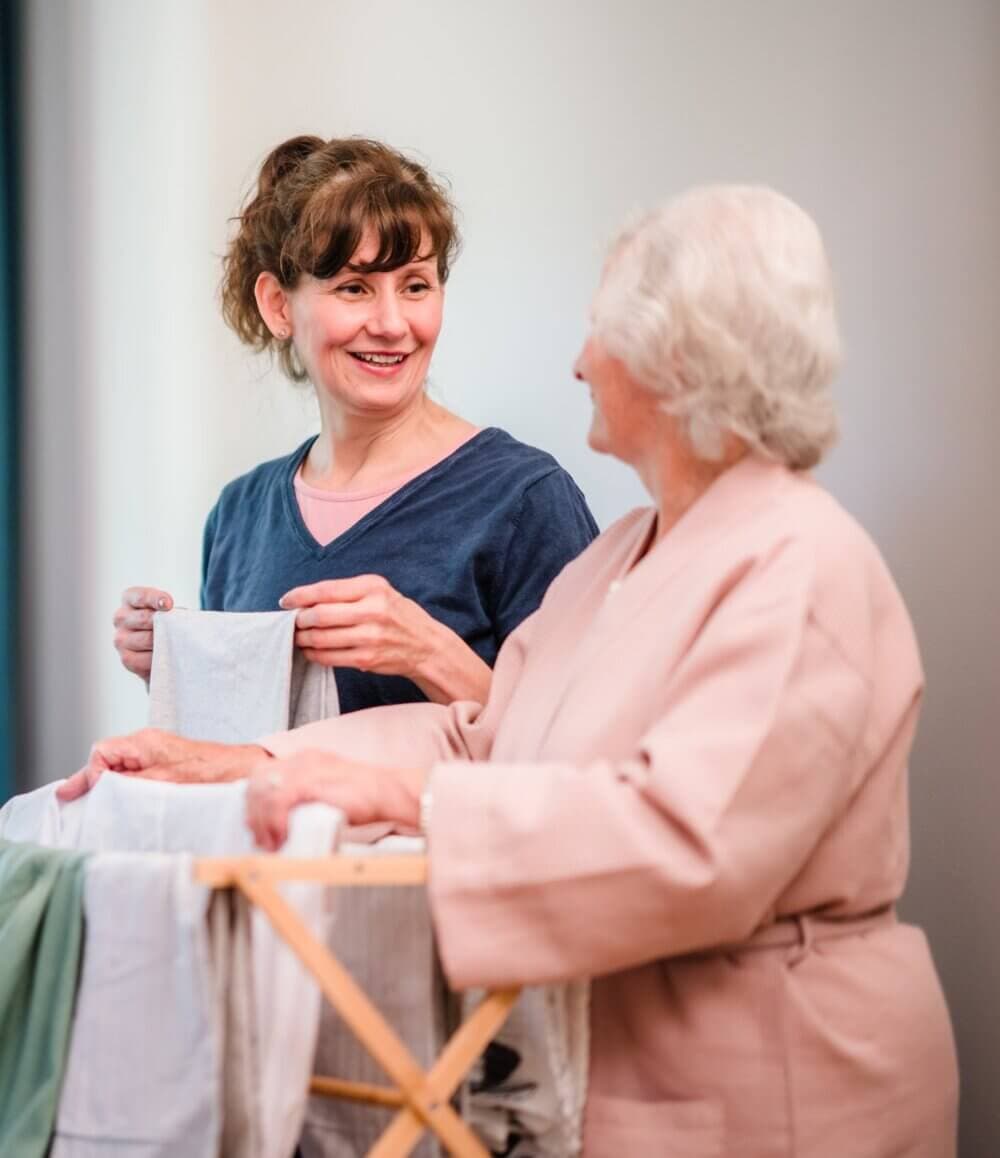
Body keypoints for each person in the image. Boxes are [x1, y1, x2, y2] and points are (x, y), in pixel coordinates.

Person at [63, 185, 959, 1156]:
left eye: (601, 333)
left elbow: (685, 846)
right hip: (629, 1066)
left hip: (779, 1081)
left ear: (679, 359)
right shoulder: (628, 553)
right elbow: (485, 735)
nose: (578, 362)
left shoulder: (800, 565)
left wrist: (411, 801)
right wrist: (245, 766)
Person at [110, 135, 597, 711]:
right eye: (354, 288)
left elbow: (584, 745)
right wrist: (179, 666)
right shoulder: (238, 518)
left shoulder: (525, 500)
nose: (392, 324)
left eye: (415, 286)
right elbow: (242, 744)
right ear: (278, 306)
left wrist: (428, 654)